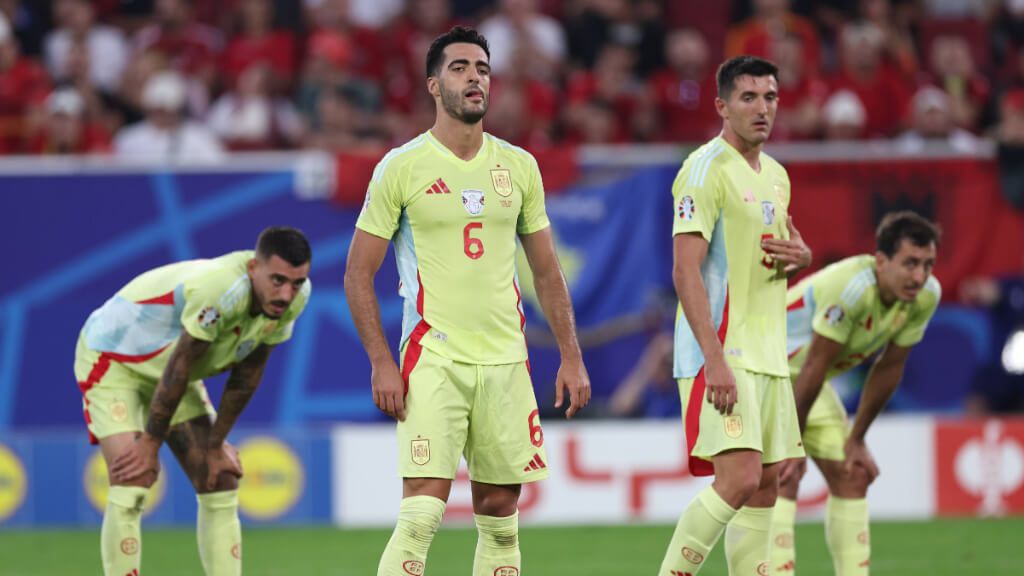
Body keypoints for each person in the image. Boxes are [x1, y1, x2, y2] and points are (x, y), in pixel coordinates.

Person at [344, 25, 591, 576]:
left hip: (506, 360)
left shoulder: (520, 166)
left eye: (482, 67)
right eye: (459, 68)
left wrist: (571, 355)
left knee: (501, 515)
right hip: (434, 355)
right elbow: (358, 274)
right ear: (434, 85)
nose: (474, 77)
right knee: (421, 513)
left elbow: (547, 273)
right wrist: (382, 362)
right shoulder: (401, 167)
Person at [75, 227, 312, 576]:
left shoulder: (295, 299)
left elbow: (247, 375)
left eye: (296, 282)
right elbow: (181, 364)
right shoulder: (221, 290)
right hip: (114, 361)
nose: (286, 293)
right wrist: (150, 444)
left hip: (171, 373)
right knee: (134, 478)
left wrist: (216, 444)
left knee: (220, 478)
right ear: (252, 268)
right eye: (277, 280)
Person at [660, 55, 812, 576]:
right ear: (722, 106)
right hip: (722, 349)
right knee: (740, 478)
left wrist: (804, 257)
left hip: (769, 353)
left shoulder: (776, 175)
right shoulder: (703, 170)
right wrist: (714, 360)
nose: (762, 108)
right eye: (749, 98)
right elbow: (686, 272)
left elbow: (779, 248)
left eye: (770, 97)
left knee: (766, 487)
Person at [769, 211, 941, 575]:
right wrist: (791, 443)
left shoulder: (926, 295)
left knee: (853, 472)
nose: (919, 276)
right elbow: (816, 364)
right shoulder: (853, 287)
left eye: (927, 264)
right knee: (782, 474)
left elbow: (890, 366)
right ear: (881, 261)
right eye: (910, 263)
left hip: (801, 382)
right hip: (763, 372)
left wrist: (858, 438)